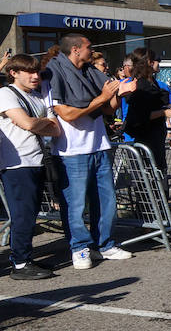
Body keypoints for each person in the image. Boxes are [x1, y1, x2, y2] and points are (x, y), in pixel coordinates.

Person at [45, 33, 131, 269]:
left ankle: (105, 244)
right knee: (75, 204)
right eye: (88, 47)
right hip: (72, 151)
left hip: (99, 146)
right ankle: (80, 248)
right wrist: (102, 97)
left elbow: (108, 109)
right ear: (75, 49)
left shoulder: (90, 71)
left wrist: (117, 95)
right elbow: (68, 114)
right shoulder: (54, 72)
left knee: (107, 201)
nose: (91, 51)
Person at [1, 53, 61, 279]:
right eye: (29, 72)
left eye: (37, 72)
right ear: (13, 73)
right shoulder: (6, 94)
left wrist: (37, 124)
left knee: (31, 212)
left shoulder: (36, 98)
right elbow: (27, 123)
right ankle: (20, 263)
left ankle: (25, 258)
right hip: (17, 163)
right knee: (23, 215)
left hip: (36, 160)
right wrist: (38, 123)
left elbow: (55, 129)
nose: (35, 76)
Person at [120, 48, 171, 173]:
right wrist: (164, 112)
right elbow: (139, 116)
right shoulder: (140, 85)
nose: (159, 63)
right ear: (149, 62)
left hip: (155, 140)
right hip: (144, 141)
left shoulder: (153, 83)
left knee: (159, 177)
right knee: (148, 182)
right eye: (157, 60)